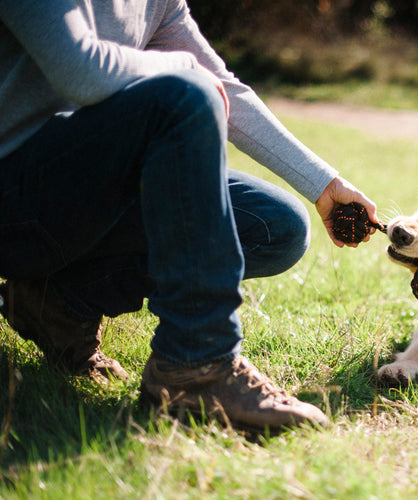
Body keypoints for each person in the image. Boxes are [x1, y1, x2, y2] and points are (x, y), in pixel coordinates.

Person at [0, 0, 381, 431]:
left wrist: (323, 184)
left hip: (80, 193)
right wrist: (183, 69)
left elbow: (223, 88)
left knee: (275, 226)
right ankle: (197, 363)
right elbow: (81, 67)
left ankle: (57, 303)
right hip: (13, 201)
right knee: (182, 92)